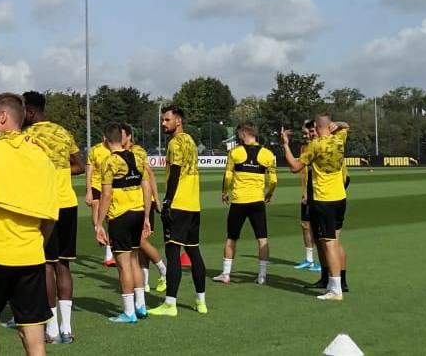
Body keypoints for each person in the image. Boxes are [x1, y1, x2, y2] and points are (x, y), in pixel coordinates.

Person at [0, 93, 59, 356]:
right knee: (33, 338)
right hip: (31, 255)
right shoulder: (43, 156)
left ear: (3, 117)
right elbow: (51, 216)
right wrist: (37, 242)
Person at [21, 91, 85, 344]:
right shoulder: (63, 132)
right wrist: (59, 170)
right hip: (68, 203)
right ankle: (66, 329)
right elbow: (79, 166)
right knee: (63, 265)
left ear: (30, 112)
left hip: (44, 206)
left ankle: (51, 329)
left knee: (46, 265)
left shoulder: (27, 137)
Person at [282, 115, 350, 301]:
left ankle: (336, 289)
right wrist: (339, 124)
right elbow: (346, 126)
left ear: (317, 128)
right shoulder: (340, 138)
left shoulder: (316, 145)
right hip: (340, 197)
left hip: (324, 198)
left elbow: (295, 167)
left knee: (329, 243)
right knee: (335, 240)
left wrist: (285, 145)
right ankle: (335, 282)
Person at [148, 106, 207, 317]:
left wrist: (167, 201)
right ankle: (201, 301)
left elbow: (175, 172)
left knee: (173, 254)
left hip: (179, 204)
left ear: (178, 121)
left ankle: (170, 304)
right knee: (194, 251)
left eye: (167, 120)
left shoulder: (174, 143)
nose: (163, 123)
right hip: (193, 204)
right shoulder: (191, 140)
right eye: (163, 120)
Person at [94, 123, 153, 324]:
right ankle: (141, 306)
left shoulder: (109, 162)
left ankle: (128, 312)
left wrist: (99, 223)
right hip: (138, 213)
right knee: (135, 260)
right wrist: (146, 216)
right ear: (122, 137)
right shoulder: (138, 157)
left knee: (123, 265)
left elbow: (106, 194)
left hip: (120, 216)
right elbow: (147, 188)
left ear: (105, 140)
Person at [213, 123, 277, 285]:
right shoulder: (268, 154)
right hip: (257, 202)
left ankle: (226, 274)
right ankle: (262, 276)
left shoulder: (235, 152)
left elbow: (227, 177)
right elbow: (274, 180)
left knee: (231, 238)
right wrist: (269, 193)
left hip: (239, 202)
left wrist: (224, 192)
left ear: (243, 134)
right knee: (262, 239)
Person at [114, 126, 168, 293]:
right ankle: (143, 282)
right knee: (136, 248)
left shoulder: (137, 151)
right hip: (129, 204)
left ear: (129, 136)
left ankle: (163, 270)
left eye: (121, 135)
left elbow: (149, 175)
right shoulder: (118, 154)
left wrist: (156, 199)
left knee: (140, 242)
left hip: (142, 203)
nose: (118, 138)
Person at [293, 121, 323, 273]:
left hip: (319, 194)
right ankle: (309, 260)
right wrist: (304, 192)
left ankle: (321, 262)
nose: (305, 136)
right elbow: (303, 174)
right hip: (307, 193)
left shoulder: (321, 147)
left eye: (307, 133)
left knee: (318, 228)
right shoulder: (304, 148)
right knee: (305, 226)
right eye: (304, 133)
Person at [84, 132, 115, 267]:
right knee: (96, 216)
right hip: (97, 186)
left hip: (111, 187)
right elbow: (89, 171)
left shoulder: (116, 149)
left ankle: (109, 254)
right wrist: (88, 191)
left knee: (110, 219)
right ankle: (98, 229)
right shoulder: (95, 150)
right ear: (103, 137)